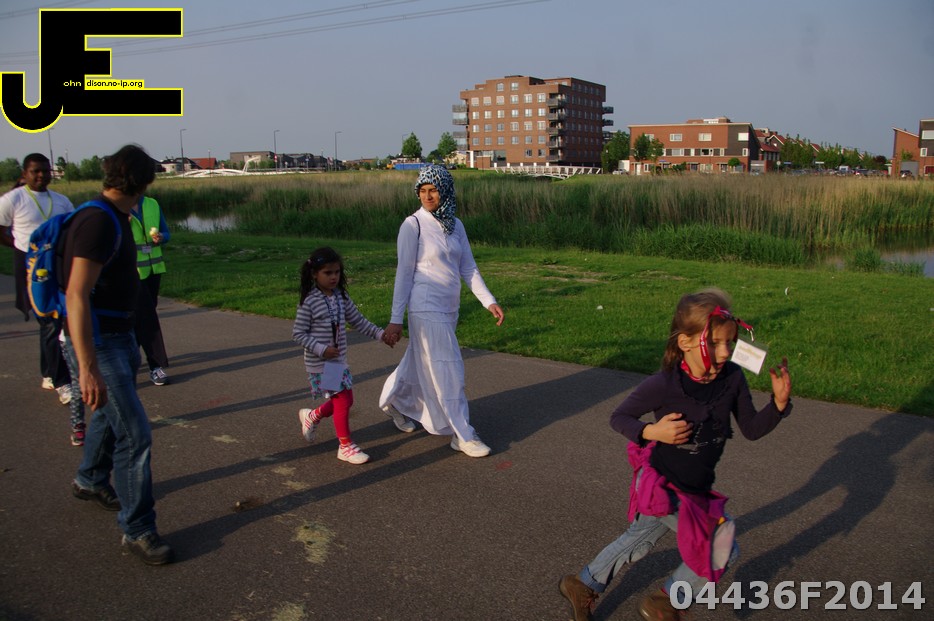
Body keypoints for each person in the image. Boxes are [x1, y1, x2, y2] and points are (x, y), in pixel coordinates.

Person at [558, 288, 792, 621]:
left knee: (638, 538)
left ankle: (583, 584)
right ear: (685, 342)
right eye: (714, 343)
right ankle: (666, 602)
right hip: (662, 484)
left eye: (730, 342)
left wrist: (778, 405)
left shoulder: (733, 378)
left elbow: (752, 428)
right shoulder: (664, 384)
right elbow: (619, 417)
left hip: (695, 486)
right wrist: (652, 431)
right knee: (722, 546)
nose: (725, 352)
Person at [60, 144, 174, 565]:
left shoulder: (116, 216)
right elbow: (76, 295)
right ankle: (138, 528)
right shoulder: (98, 221)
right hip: (100, 343)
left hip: (120, 336)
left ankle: (90, 478)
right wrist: (87, 368)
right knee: (135, 434)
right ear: (142, 182)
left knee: (110, 419)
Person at [379, 164, 505, 458]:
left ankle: (394, 401)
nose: (427, 196)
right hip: (424, 306)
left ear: (445, 192)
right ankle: (462, 434)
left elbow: (468, 267)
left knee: (419, 362)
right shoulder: (413, 225)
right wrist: (396, 319)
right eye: (422, 191)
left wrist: (488, 300)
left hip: (449, 308)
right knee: (449, 370)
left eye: (433, 190)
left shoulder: (455, 225)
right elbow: (404, 274)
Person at [293, 246, 395, 465]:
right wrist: (321, 349)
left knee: (344, 400)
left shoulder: (340, 296)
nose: (333, 277)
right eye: (327, 273)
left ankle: (313, 416)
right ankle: (345, 446)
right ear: (314, 274)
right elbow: (298, 333)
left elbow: (358, 320)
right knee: (342, 400)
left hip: (336, 362)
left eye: (337, 272)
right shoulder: (309, 301)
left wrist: (381, 335)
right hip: (320, 363)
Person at [0, 154, 75, 406]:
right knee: (50, 321)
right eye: (36, 171)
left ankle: (49, 373)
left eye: (45, 170)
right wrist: (21, 247)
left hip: (57, 265)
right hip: (31, 266)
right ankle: (61, 381)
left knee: (55, 321)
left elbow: (73, 229)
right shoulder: (13, 199)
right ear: (25, 173)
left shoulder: (61, 200)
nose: (42, 175)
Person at [129, 195, 171, 385]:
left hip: (154, 269)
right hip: (132, 272)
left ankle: (129, 359)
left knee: (142, 318)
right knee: (147, 317)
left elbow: (166, 232)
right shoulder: (118, 206)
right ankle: (156, 365)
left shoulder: (152, 203)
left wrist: (162, 237)